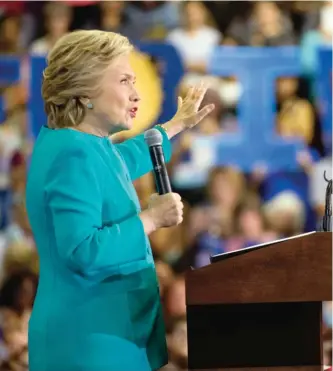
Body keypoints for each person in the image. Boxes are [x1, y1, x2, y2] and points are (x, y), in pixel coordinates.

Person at [25, 30, 214, 371]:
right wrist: (151, 219)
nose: (136, 93)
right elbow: (82, 250)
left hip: (106, 336)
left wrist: (174, 126)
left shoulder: (83, 145)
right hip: (89, 345)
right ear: (85, 93)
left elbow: (121, 162)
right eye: (125, 80)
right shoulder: (73, 154)